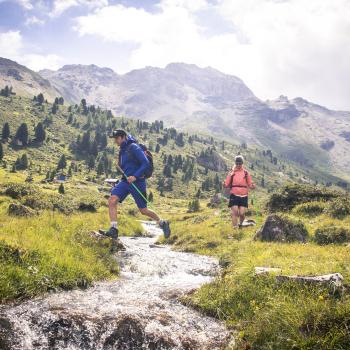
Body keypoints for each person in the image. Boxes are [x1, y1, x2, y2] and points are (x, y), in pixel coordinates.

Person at [104, 129, 171, 241]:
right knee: (112, 200)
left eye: (117, 138)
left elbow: (145, 163)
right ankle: (113, 230)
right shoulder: (122, 151)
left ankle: (162, 222)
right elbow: (125, 167)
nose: (115, 141)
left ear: (123, 137)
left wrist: (135, 176)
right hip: (125, 182)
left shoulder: (133, 147)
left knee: (143, 210)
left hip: (138, 182)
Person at [224, 155, 256, 229]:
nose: (238, 165)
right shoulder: (231, 173)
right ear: (235, 163)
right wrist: (224, 184)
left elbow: (250, 184)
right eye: (237, 163)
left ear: (242, 163)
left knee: (241, 213)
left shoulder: (246, 173)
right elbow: (227, 184)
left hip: (244, 195)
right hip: (234, 195)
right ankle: (235, 228)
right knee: (235, 212)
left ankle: (241, 225)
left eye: (240, 163)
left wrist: (253, 186)